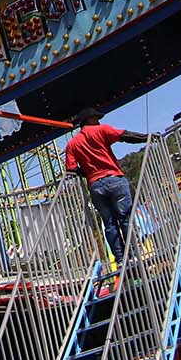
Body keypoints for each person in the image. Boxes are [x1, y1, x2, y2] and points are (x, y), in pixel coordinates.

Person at [63, 107, 150, 263]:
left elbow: (71, 169)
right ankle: (135, 253)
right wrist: (147, 138)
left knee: (109, 223)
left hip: (95, 185)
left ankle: (120, 258)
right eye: (96, 118)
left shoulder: (72, 144)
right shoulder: (101, 130)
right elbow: (124, 135)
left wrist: (88, 173)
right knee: (125, 218)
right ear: (89, 120)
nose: (99, 120)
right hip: (114, 178)